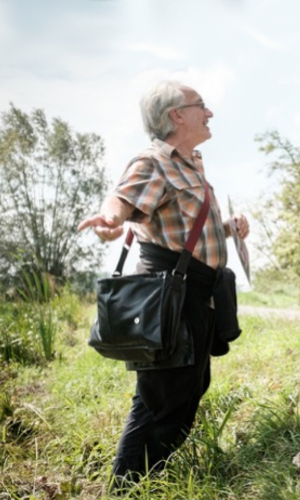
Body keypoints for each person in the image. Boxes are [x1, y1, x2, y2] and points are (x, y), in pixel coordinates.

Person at [77, 80, 249, 486]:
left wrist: (227, 228)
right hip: (170, 293)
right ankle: (128, 487)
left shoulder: (191, 163)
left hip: (197, 292)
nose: (209, 113)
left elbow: (183, 227)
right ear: (177, 115)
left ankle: (153, 480)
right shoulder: (152, 161)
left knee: (191, 384)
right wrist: (110, 221)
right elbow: (121, 201)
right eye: (201, 106)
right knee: (160, 397)